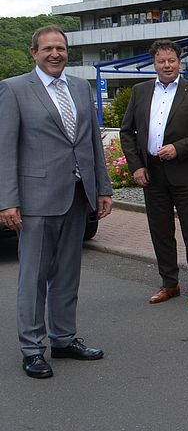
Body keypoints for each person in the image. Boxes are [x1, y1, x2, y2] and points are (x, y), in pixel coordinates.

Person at [0, 25, 113, 379]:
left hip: (77, 196)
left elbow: (92, 141)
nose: (55, 54)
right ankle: (32, 349)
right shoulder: (14, 89)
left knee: (67, 274)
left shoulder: (80, 87)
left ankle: (63, 339)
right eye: (47, 48)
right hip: (35, 200)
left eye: (60, 48)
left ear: (68, 52)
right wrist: (7, 201)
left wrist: (103, 188)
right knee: (33, 278)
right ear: (33, 52)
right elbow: (5, 149)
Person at [120, 39, 188, 309]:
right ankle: (169, 284)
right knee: (160, 231)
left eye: (171, 60)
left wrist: (179, 148)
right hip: (151, 173)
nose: (167, 65)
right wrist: (136, 165)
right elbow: (127, 132)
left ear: (179, 62)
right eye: (161, 61)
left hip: (184, 172)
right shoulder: (140, 91)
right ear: (154, 63)